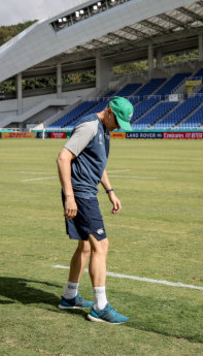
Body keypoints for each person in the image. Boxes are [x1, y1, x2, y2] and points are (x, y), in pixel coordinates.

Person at [55, 96, 134, 324]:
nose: (118, 127)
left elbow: (97, 163)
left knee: (87, 246)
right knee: (102, 244)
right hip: (80, 194)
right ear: (108, 111)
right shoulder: (90, 126)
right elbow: (63, 158)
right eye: (117, 121)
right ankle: (100, 307)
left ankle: (69, 296)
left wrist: (110, 191)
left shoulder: (104, 129)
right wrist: (70, 197)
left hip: (88, 192)